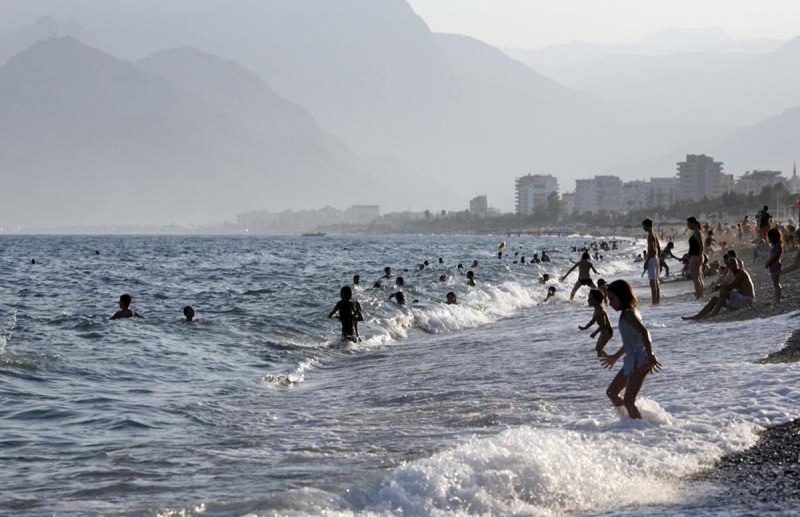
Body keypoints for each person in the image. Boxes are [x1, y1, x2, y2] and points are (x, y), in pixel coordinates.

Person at [601, 280, 661, 419]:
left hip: (641, 359)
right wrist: (615, 357)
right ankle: (628, 421)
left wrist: (651, 354)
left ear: (622, 296)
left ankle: (640, 429)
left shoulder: (629, 313)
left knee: (629, 400)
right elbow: (631, 341)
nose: (610, 303)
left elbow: (644, 332)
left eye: (612, 299)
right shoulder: (626, 314)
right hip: (632, 359)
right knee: (612, 392)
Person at [682, 257, 754, 320]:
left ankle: (714, 313)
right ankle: (698, 316)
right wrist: (720, 284)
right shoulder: (733, 274)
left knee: (724, 290)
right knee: (715, 299)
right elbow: (726, 283)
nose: (734, 266)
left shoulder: (741, 273)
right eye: (731, 264)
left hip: (747, 299)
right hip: (739, 300)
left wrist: (719, 287)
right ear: (728, 266)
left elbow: (731, 286)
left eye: (735, 264)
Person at [579, 289, 613, 357]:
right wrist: (585, 327)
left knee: (599, 348)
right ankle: (604, 360)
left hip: (607, 331)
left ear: (597, 300)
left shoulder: (600, 310)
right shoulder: (596, 308)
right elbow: (593, 320)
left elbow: (603, 325)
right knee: (598, 349)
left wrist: (595, 333)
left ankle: (609, 359)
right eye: (588, 298)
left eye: (590, 298)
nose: (588, 300)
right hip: (604, 331)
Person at [642, 219, 661, 305]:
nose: (643, 228)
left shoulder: (650, 236)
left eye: (644, 226)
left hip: (652, 258)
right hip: (656, 258)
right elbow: (659, 248)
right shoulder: (655, 234)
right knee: (656, 281)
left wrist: (647, 261)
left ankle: (654, 301)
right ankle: (657, 301)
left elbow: (652, 249)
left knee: (652, 282)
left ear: (647, 226)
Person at [686, 217, 705, 299]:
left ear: (693, 223)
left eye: (688, 223)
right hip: (697, 256)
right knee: (699, 277)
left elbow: (701, 245)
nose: (687, 225)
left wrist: (700, 255)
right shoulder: (697, 232)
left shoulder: (697, 233)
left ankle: (698, 296)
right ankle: (700, 295)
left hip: (696, 256)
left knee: (695, 278)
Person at [765, 228, 783, 304]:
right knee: (775, 283)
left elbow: (775, 256)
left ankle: (778, 299)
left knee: (776, 283)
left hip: (775, 265)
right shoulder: (776, 245)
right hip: (773, 266)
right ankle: (777, 298)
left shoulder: (778, 246)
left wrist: (768, 262)